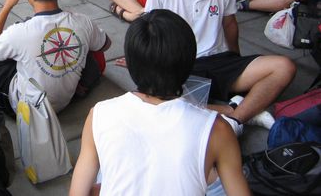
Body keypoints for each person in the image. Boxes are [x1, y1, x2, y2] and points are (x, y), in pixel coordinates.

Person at [69, 10, 251, 196]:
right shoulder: (218, 129)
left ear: (130, 64)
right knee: (219, 179)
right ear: (189, 63)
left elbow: (77, 193)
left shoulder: (99, 115)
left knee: (105, 169)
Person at [144, 0, 296, 132]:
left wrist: (237, 62)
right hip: (180, 64)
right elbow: (150, 30)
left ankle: (237, 118)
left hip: (219, 60)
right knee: (153, 101)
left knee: (284, 67)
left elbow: (230, 24)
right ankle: (236, 108)